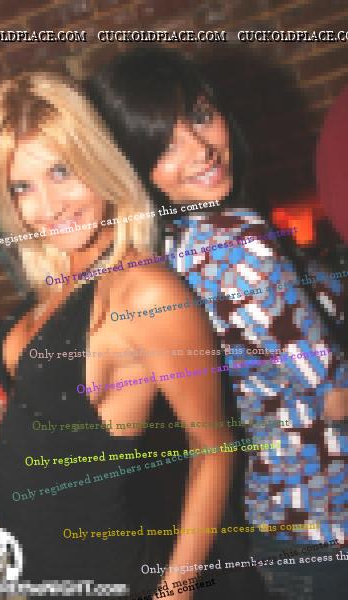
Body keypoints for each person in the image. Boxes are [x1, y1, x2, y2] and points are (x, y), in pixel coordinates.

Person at [85, 47, 348, 599]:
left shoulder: (166, 251)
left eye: (201, 117)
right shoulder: (237, 244)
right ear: (133, 166)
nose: (201, 150)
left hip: (281, 520)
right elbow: (334, 397)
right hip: (330, 524)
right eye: (164, 145)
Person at [0, 70, 232, 597]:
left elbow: (214, 447)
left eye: (61, 171)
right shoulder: (58, 285)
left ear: (98, 159)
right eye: (22, 187)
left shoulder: (144, 291)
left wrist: (176, 590)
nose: (48, 206)